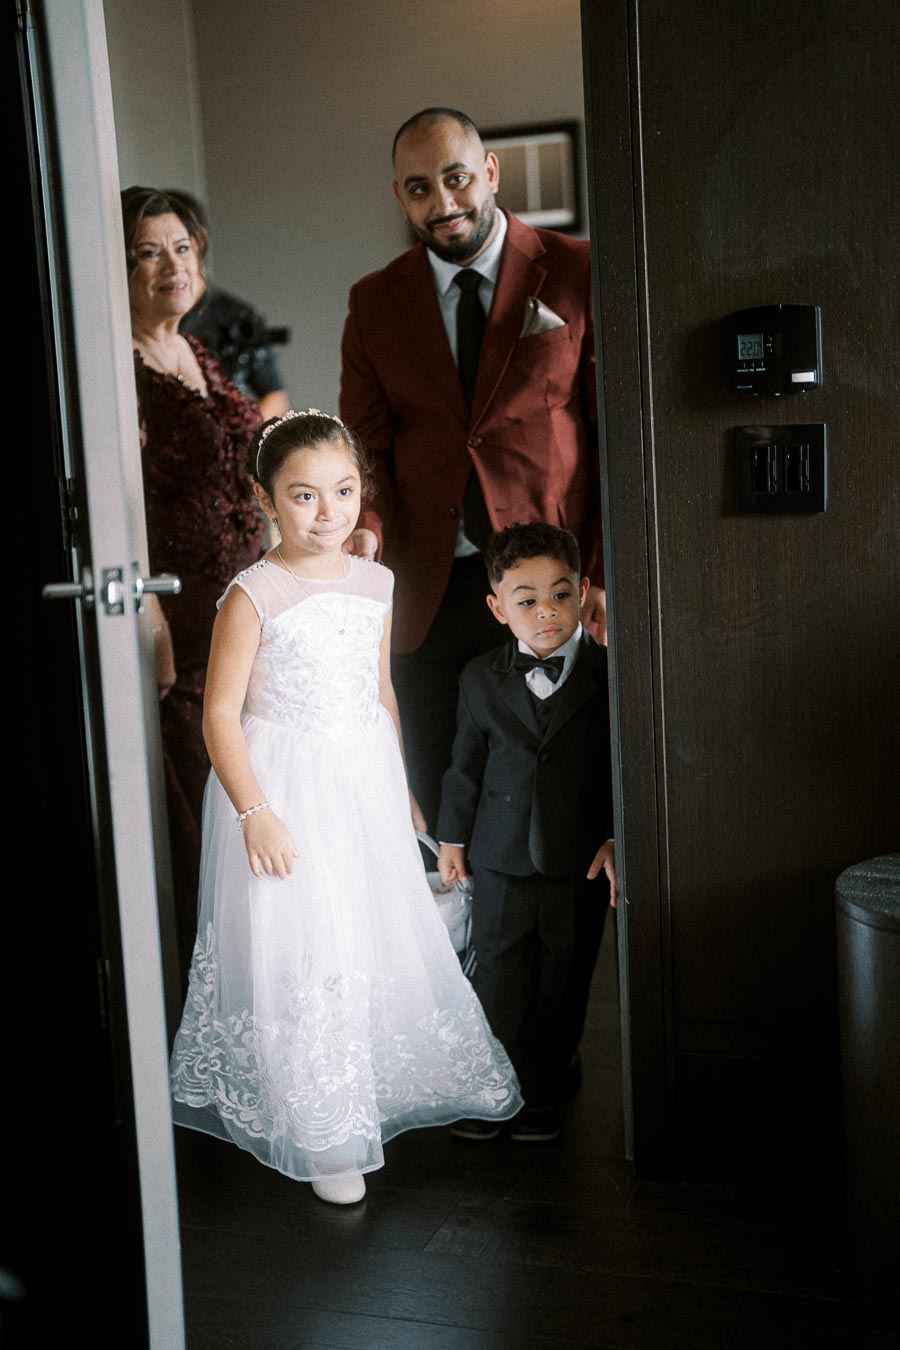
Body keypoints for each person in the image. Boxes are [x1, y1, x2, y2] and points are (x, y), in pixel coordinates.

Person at [169, 409, 522, 1205]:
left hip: (359, 772)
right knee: (304, 938)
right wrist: (255, 809)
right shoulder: (252, 594)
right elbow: (219, 714)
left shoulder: (377, 580)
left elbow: (379, 687)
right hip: (284, 782)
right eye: (303, 495)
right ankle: (324, 1125)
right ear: (264, 498)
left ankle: (368, 1088)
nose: (327, 512)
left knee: (368, 928)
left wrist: (397, 785)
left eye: (343, 490)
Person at [340, 107, 604, 829]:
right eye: (420, 187)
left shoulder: (576, 269)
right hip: (427, 588)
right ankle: (460, 939)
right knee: (441, 786)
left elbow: (610, 433)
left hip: (547, 576)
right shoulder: (373, 302)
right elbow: (364, 448)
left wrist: (602, 575)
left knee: (553, 788)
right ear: (400, 195)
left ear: (489, 173)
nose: (444, 202)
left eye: (456, 179)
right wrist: (364, 527)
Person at [123, 186, 266, 978]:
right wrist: (147, 602)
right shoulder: (119, 366)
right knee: (204, 810)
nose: (171, 266)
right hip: (182, 622)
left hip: (240, 611)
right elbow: (118, 498)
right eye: (148, 252)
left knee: (247, 787)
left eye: (181, 248)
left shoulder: (194, 350)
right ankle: (205, 996)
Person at [436, 523, 616, 1144]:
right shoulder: (480, 679)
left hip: (578, 862)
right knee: (499, 976)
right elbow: (465, 767)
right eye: (527, 600)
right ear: (497, 607)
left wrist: (620, 835)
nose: (547, 613)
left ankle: (544, 1084)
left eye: (562, 595)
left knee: (562, 979)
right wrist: (453, 839)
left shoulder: (611, 675)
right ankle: (495, 1085)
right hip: (501, 855)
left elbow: (624, 768)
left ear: (583, 590)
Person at [164, 189, 291, 422]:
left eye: (180, 247)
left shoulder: (238, 318)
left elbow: (275, 397)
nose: (170, 262)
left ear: (199, 242)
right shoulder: (142, 321)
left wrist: (237, 441)